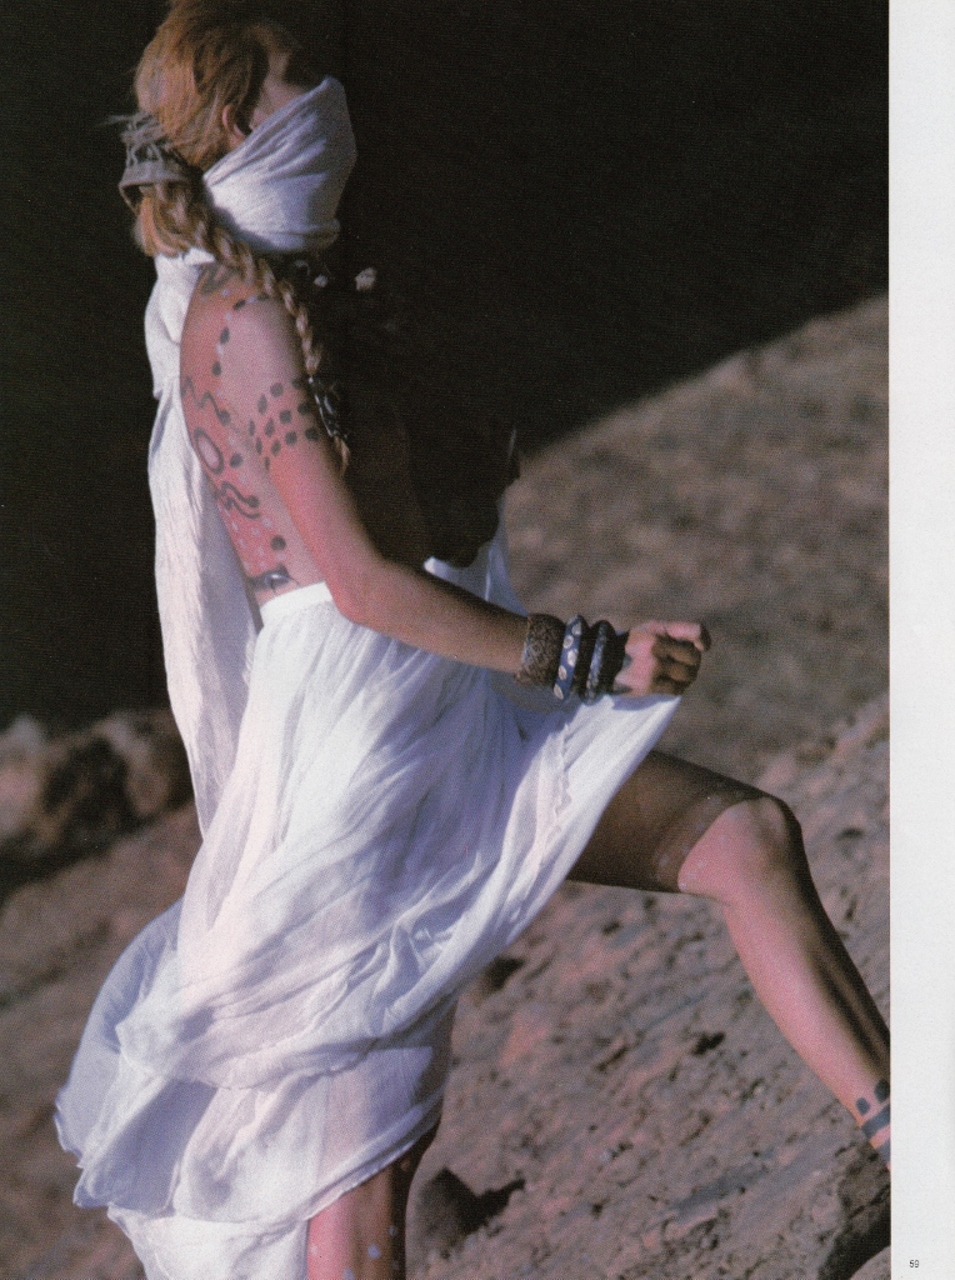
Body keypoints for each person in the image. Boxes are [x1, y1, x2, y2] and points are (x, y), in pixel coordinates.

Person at [56, 4, 890, 1278]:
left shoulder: (294, 295)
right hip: (370, 747)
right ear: (234, 120)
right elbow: (357, 584)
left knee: (745, 839)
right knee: (361, 1180)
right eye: (300, 76)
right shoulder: (247, 317)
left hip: (435, 708)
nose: (330, 95)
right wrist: (586, 656)